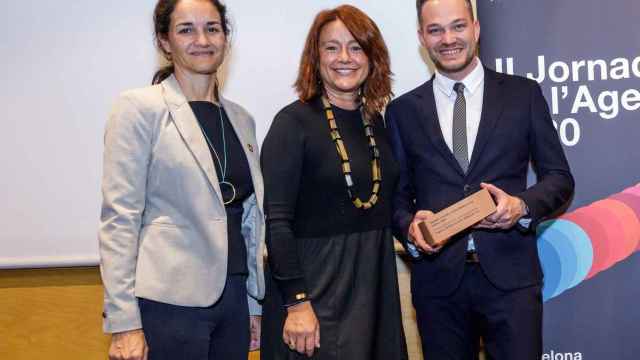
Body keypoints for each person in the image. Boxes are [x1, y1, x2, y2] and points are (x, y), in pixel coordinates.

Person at [386, 0, 575, 359]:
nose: (448, 38)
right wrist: (410, 226)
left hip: (512, 282)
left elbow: (559, 178)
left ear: (476, 28)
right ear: (421, 37)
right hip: (437, 286)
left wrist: (520, 206)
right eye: (435, 29)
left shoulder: (523, 94)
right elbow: (396, 198)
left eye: (457, 26)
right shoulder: (402, 111)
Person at [98, 1, 265, 359]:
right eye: (186, 29)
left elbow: (248, 218)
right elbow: (120, 219)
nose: (202, 39)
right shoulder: (139, 109)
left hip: (233, 298)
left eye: (213, 28)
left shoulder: (242, 119)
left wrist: (253, 303)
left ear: (226, 37)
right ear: (164, 41)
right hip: (168, 303)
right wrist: (124, 322)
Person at [260, 5, 408, 360]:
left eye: (356, 47)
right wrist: (297, 303)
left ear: (373, 58)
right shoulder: (291, 124)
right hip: (315, 291)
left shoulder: (377, 122)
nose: (345, 57)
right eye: (332, 48)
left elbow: (386, 205)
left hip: (373, 284)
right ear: (316, 57)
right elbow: (277, 222)